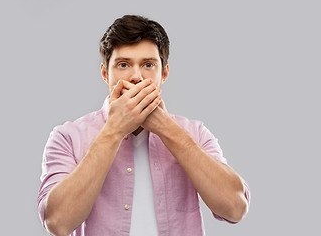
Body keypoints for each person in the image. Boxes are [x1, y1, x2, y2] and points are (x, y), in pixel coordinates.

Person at [37, 15, 250, 236]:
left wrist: (166, 128)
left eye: (148, 65)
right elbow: (57, 222)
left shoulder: (196, 133)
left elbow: (235, 208)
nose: (137, 77)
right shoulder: (67, 137)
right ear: (104, 73)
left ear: (164, 73)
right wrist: (114, 130)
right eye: (123, 64)